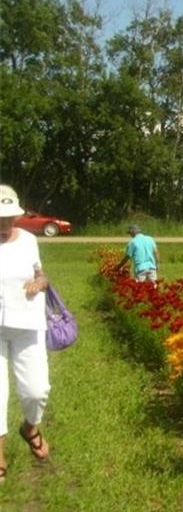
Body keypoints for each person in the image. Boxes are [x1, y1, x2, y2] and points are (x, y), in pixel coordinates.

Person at [0, 184, 52, 480]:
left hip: (27, 325)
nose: (4, 224)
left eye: (9, 217)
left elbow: (41, 274)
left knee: (36, 390)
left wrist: (39, 283)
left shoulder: (29, 241)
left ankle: (30, 427)